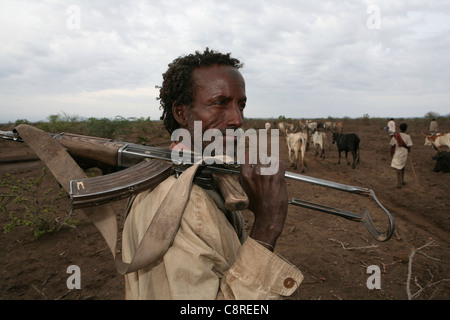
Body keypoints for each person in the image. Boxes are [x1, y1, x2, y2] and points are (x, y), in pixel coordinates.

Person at [121, 48, 303, 300]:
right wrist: (267, 226)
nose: (237, 120)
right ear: (181, 113)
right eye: (220, 103)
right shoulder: (181, 204)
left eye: (241, 105)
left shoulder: (200, 173)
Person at [390, 123, 413, 188]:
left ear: (399, 128)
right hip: (404, 153)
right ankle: (402, 180)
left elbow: (392, 145)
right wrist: (409, 152)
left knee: (398, 168)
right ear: (406, 129)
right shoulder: (408, 136)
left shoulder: (396, 136)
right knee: (402, 166)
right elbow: (409, 146)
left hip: (397, 153)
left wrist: (392, 152)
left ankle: (398, 183)